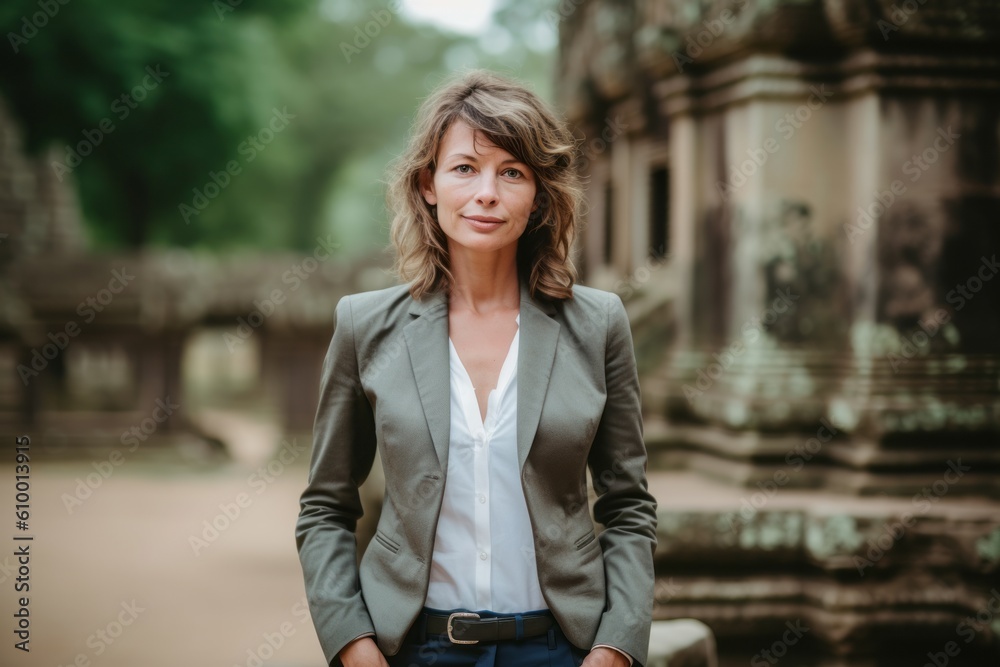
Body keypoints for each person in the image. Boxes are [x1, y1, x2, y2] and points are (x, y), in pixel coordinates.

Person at [296, 69, 657, 667]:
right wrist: (351, 644)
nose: (487, 192)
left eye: (511, 172)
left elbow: (628, 506)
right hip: (414, 649)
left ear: (538, 195)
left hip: (560, 649)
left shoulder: (598, 325)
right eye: (465, 167)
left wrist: (617, 647)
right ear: (428, 184)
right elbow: (326, 507)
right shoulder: (364, 326)